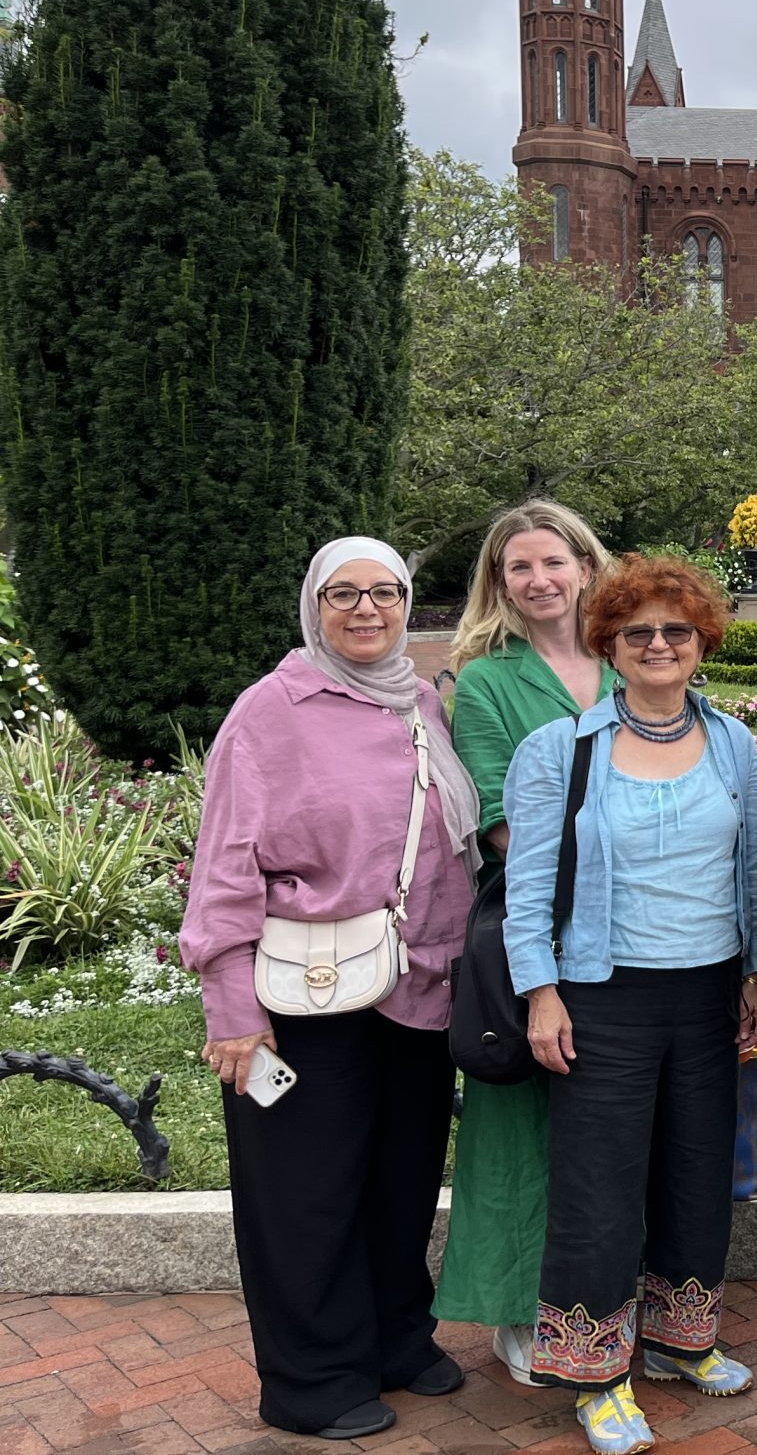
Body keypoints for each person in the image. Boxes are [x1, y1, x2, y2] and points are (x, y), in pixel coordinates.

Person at [179, 539, 481, 1441]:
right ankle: (313, 1376)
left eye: (383, 593)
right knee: (304, 1194)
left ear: (405, 602)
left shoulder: (419, 699)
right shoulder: (271, 711)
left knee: (400, 1179)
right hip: (306, 996)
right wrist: (233, 1010)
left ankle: (394, 1336)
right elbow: (225, 864)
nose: (365, 610)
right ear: (314, 604)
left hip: (419, 988)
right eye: (342, 594)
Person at [503, 556, 757, 1454]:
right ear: (610, 645)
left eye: (677, 631)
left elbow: (752, 867)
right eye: (638, 633)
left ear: (702, 643)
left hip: (707, 989)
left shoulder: (733, 741)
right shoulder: (562, 750)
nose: (659, 645)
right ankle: (594, 1373)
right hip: (602, 994)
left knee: (698, 1172)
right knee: (599, 1186)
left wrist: (755, 973)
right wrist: (540, 992)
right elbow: (529, 882)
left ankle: (678, 1338)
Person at [435, 501, 617, 1386]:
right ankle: (515, 1308)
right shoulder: (486, 679)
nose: (540, 580)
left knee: (614, 1128)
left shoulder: (635, 652)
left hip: (641, 941)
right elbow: (502, 820)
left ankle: (610, 1303)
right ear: (498, 584)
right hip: (533, 930)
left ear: (586, 565)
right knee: (516, 1123)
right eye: (519, 568)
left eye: (555, 561)